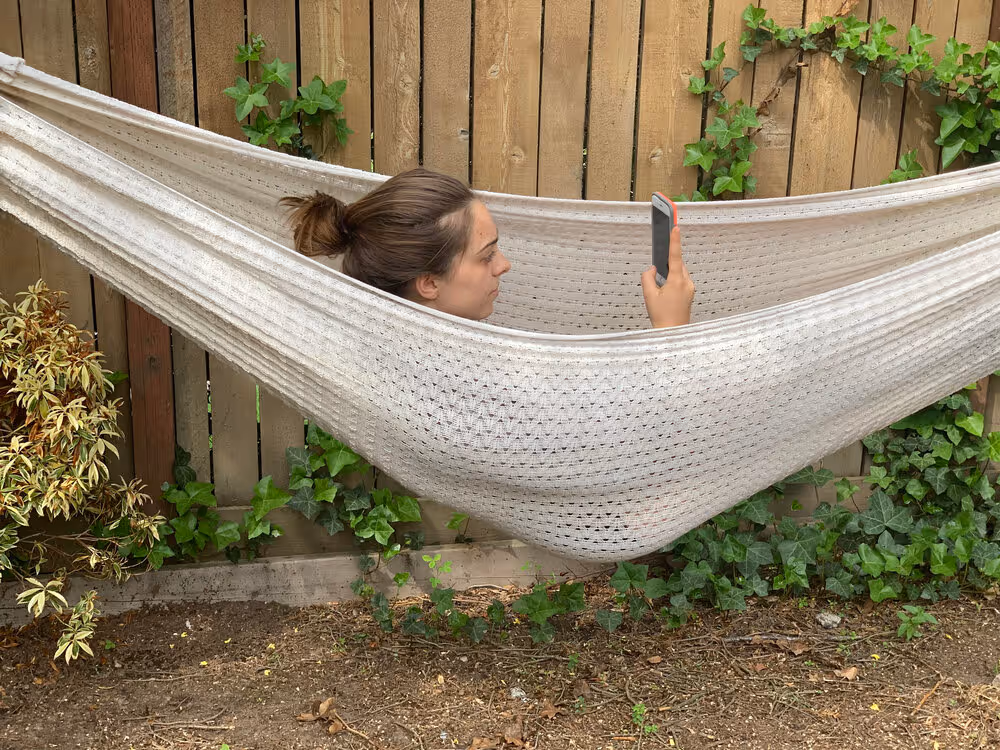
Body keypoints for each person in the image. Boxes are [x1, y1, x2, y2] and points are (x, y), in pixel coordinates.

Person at [281, 168, 694, 327]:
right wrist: (671, 330)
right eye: (486, 255)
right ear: (429, 283)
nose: (504, 265)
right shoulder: (463, 388)